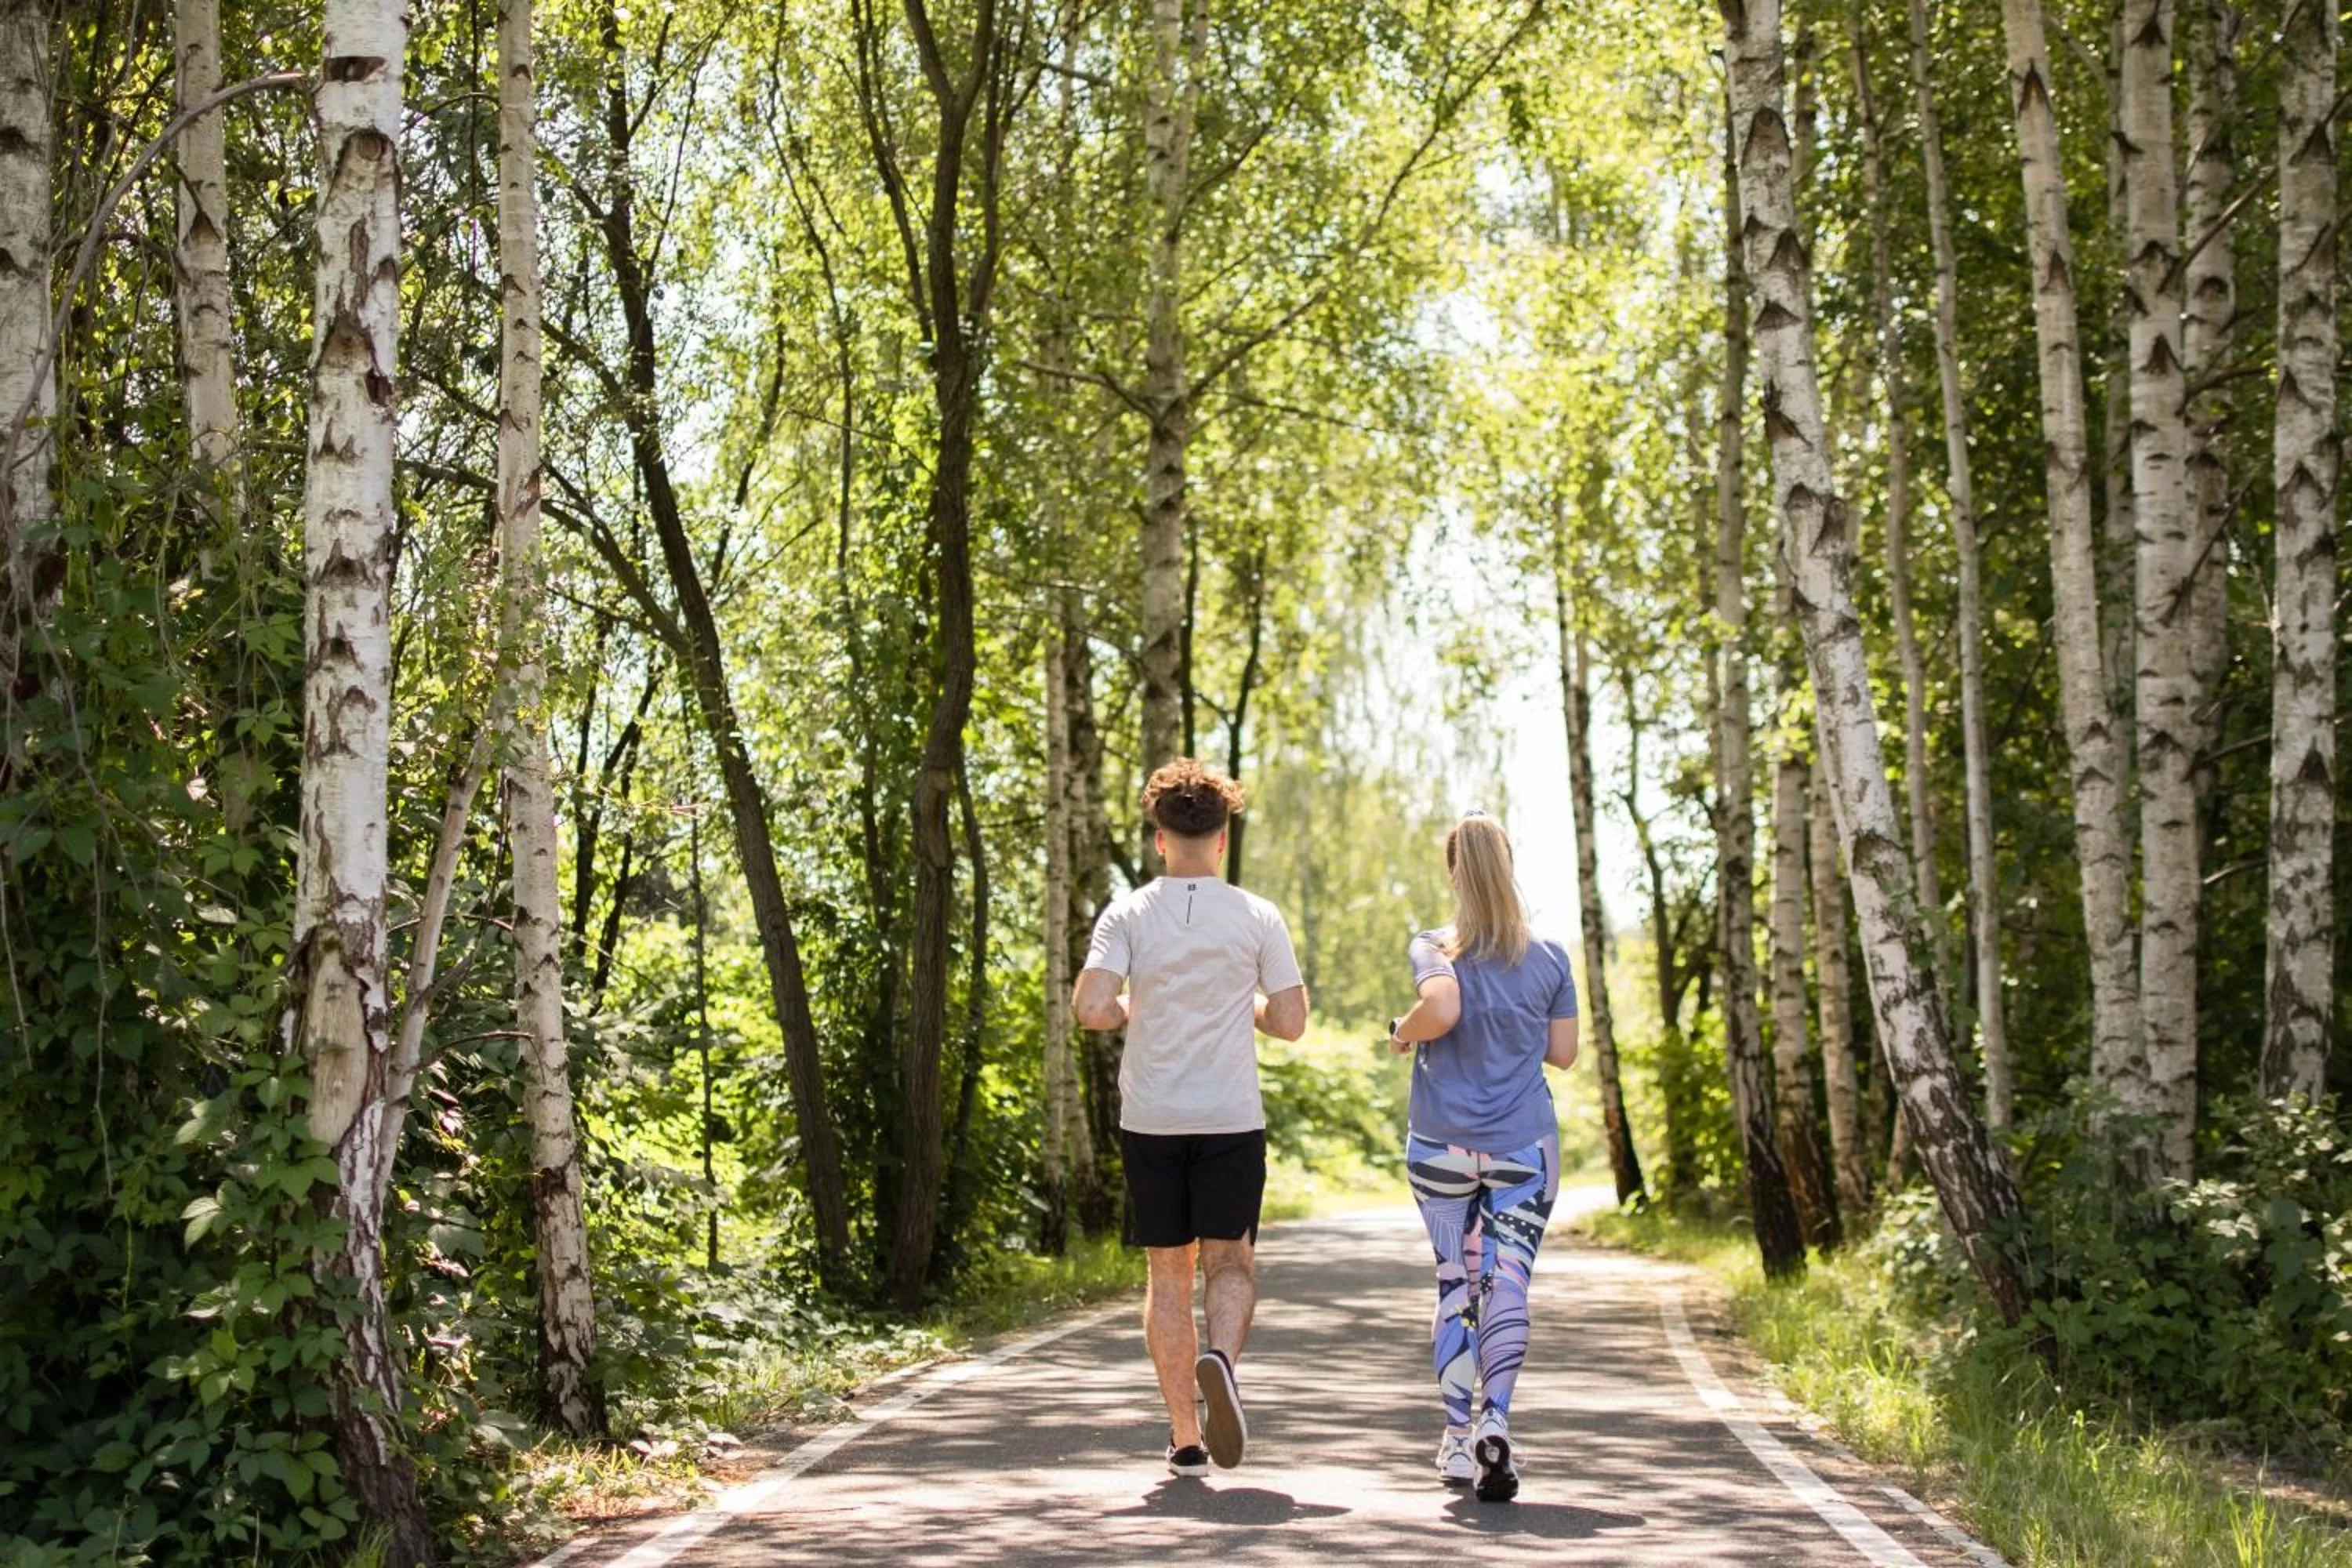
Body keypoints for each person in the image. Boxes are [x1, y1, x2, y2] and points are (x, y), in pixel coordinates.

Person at [1073, 759, 1308, 1479]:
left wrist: (1128, 1009)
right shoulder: (1256, 915)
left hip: (1152, 1119)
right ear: (1224, 838)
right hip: (1229, 1116)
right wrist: (1252, 1006)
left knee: (1167, 1279)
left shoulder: (1129, 913)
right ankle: (1222, 1363)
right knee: (1230, 1263)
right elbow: (1292, 1022)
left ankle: (1183, 1436)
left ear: (1160, 841)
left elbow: (1091, 1008)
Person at [1386, 811, 1579, 1503]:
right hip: (1525, 1143)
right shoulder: (1552, 955)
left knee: (1454, 1283)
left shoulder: (1435, 945)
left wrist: (1401, 1033)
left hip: (1440, 1141)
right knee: (1509, 1282)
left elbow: (1439, 1009)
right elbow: (1563, 1054)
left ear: (1453, 872)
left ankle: (1453, 1439)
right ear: (1509, 865)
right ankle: (1494, 1420)